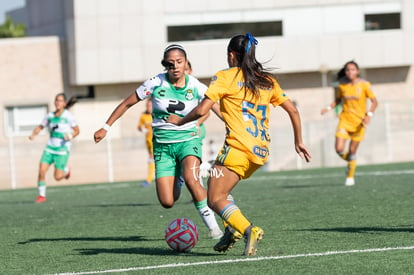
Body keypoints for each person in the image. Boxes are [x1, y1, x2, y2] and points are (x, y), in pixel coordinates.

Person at [167, 33, 311, 256]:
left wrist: (179, 121)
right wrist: (298, 141)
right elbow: (292, 109)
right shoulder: (266, 80)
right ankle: (230, 231)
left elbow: (202, 110)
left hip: (237, 148)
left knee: (214, 198)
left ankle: (247, 230)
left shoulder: (225, 77)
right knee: (220, 187)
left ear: (231, 55)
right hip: (260, 153)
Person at [94, 44, 223, 239]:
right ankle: (178, 176)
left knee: (193, 180)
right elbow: (127, 103)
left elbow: (215, 106)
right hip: (163, 147)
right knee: (167, 201)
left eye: (179, 62)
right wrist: (106, 127)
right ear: (165, 66)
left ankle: (215, 230)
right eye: (170, 64)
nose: (176, 67)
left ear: (186, 63)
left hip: (188, 140)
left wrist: (233, 124)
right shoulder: (155, 83)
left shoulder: (195, 85)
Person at [321, 60, 378, 186]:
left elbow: (374, 102)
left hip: (359, 124)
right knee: (339, 149)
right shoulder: (342, 85)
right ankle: (352, 162)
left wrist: (369, 115)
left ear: (357, 71)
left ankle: (350, 175)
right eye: (347, 70)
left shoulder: (364, 85)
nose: (350, 72)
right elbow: (338, 100)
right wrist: (328, 108)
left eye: (352, 69)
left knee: (352, 151)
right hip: (345, 121)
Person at [29, 93, 79, 203]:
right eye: (56, 100)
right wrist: (33, 134)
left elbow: (77, 131)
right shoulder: (50, 116)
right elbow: (40, 126)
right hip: (49, 148)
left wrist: (70, 136)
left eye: (60, 100)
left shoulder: (68, 116)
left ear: (64, 103)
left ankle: (66, 170)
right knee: (41, 170)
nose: (58, 102)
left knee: (57, 177)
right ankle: (41, 196)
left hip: (62, 150)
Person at [137, 99, 155, 187]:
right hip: (148, 141)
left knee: (152, 158)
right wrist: (143, 129)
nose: (149, 107)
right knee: (152, 159)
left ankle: (149, 180)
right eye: (147, 106)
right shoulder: (144, 116)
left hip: (156, 140)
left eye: (150, 106)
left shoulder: (156, 114)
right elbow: (139, 127)